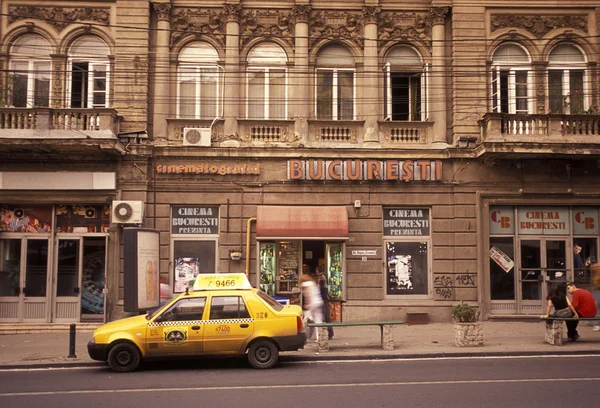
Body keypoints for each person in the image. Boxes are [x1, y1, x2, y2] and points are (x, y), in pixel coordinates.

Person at [300, 273, 324, 342]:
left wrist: (308, 303)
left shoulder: (305, 284)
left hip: (312, 303)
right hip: (319, 302)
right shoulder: (313, 283)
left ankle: (305, 336)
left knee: (305, 319)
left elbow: (308, 294)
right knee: (318, 321)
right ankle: (319, 337)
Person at [316, 265, 334, 340]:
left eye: (316, 270)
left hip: (323, 299)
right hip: (323, 299)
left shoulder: (322, 278)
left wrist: (326, 295)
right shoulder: (321, 277)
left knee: (326, 317)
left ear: (317, 271)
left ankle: (329, 333)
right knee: (325, 317)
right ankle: (329, 333)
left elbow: (324, 288)